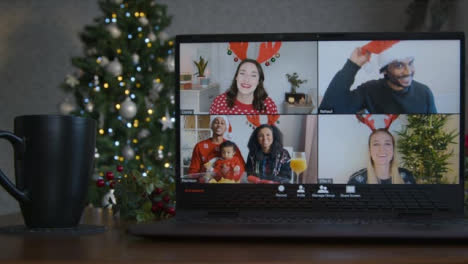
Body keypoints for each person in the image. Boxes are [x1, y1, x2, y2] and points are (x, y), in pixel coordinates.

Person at [319, 41, 437, 114]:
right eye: (399, 65)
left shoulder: (424, 92)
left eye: (410, 63)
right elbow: (328, 110)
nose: (408, 71)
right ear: (385, 70)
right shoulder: (370, 90)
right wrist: (352, 65)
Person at [209, 58, 278, 114]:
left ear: (258, 81)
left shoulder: (269, 105)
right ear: (236, 77)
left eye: (253, 75)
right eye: (242, 73)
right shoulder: (219, 102)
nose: (246, 79)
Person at [348, 129, 415, 184]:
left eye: (387, 144)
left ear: (393, 149)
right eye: (376, 144)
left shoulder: (407, 176)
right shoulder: (355, 181)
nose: (382, 149)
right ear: (369, 150)